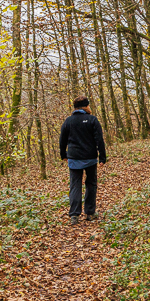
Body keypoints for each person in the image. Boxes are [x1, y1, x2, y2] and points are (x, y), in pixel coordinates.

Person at [59, 96, 107, 224]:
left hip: (74, 158)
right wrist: (102, 157)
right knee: (91, 184)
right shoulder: (92, 120)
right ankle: (90, 213)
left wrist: (63, 154)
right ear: (86, 106)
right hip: (90, 158)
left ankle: (74, 215)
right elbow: (99, 140)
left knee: (75, 185)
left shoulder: (68, 121)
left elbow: (62, 140)